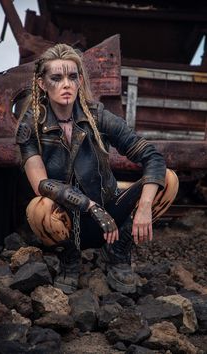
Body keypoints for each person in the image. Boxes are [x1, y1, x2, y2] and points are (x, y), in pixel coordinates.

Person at [16, 43, 178, 295]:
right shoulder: (31, 126)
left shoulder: (97, 116)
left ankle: (118, 251)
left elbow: (151, 156)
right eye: (56, 78)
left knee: (167, 179)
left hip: (110, 215)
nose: (66, 84)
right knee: (39, 207)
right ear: (42, 83)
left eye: (72, 76)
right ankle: (70, 257)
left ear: (80, 80)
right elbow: (41, 184)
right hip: (69, 219)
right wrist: (89, 206)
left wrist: (144, 207)